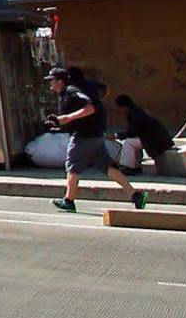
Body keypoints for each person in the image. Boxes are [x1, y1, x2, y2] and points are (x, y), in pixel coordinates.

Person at [48, 67, 145, 211]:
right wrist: (60, 125)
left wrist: (65, 118)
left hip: (85, 136)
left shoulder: (71, 92)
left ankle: (69, 200)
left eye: (51, 81)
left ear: (60, 81)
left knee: (72, 165)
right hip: (95, 135)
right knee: (106, 166)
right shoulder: (68, 93)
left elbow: (90, 109)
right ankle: (135, 195)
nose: (50, 84)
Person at [114, 93, 175, 171]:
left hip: (156, 141)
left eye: (118, 107)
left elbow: (132, 133)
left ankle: (127, 167)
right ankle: (135, 166)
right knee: (133, 142)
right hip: (155, 138)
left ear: (123, 107)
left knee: (129, 142)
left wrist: (116, 136)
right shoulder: (136, 112)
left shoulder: (136, 115)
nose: (117, 109)